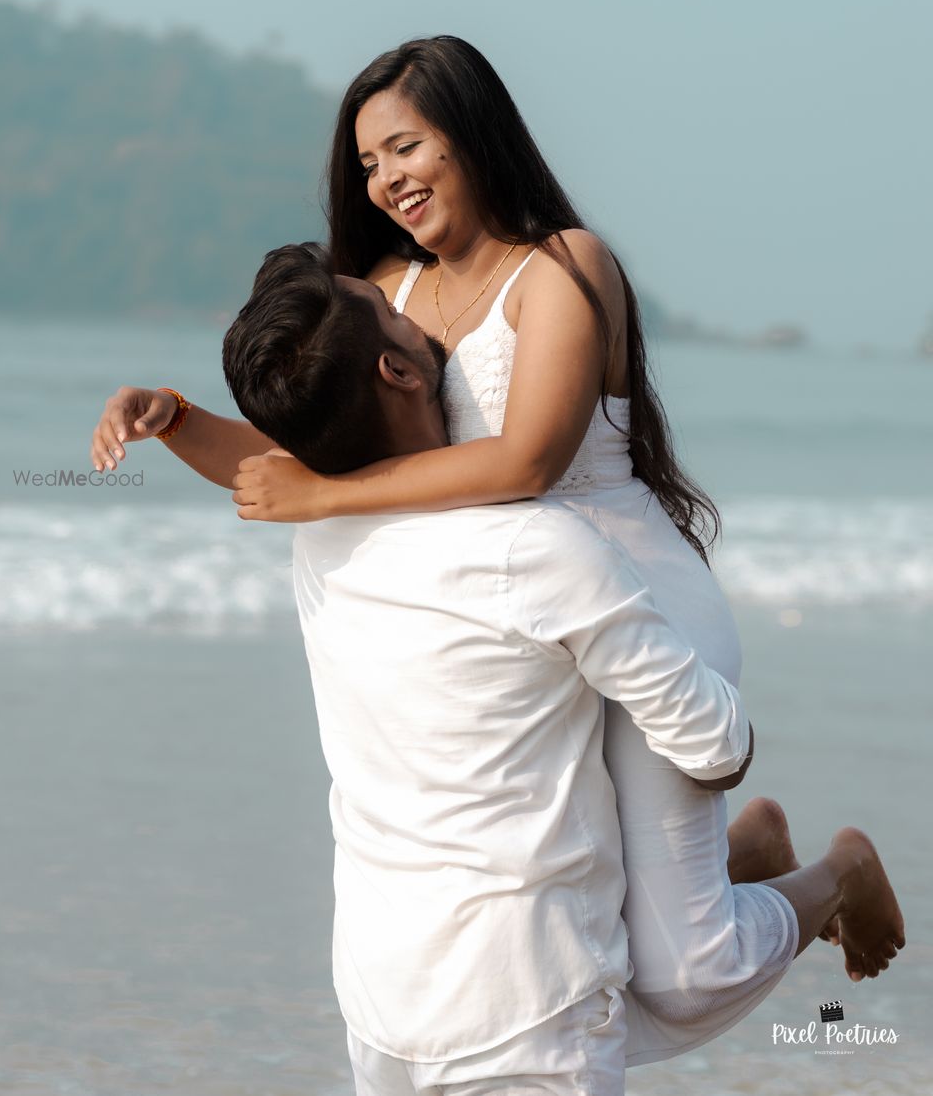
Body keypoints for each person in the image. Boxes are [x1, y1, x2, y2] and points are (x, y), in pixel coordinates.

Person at [89, 38, 904, 1057]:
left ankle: (837, 873)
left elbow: (526, 460)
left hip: (635, 600)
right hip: (512, 628)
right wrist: (175, 418)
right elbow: (307, 457)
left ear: (471, 133)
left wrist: (323, 494)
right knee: (577, 924)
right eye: (369, 162)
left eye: (406, 147)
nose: (386, 180)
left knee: (686, 975)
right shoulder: (389, 289)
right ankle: (743, 856)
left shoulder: (563, 266)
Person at [216, 243, 898, 1095]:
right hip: (529, 1008)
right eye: (397, 311)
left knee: (685, 964)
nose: (422, 307)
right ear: (398, 370)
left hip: (380, 1002)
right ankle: (798, 876)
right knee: (692, 974)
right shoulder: (535, 550)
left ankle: (734, 874)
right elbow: (719, 748)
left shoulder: (319, 539)